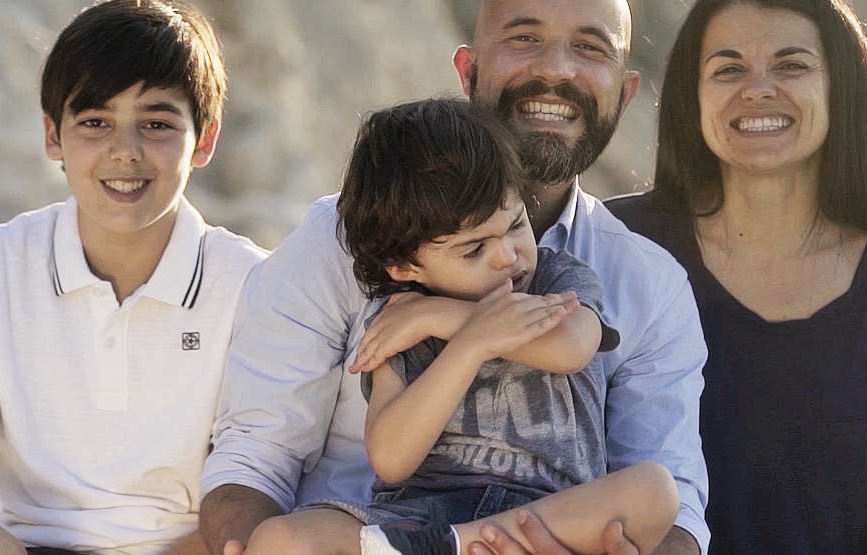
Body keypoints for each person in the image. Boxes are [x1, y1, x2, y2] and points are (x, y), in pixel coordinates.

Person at [199, 0, 709, 555]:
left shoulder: (641, 283)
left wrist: (451, 320)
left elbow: (675, 507)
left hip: (544, 535)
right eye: (525, 38)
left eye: (590, 48)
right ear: (468, 72)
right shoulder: (344, 236)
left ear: (624, 96)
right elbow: (260, 451)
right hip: (387, 534)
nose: (556, 69)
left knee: (653, 492)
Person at [606, 0, 867, 554]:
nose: (759, 89)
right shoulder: (621, 243)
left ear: (842, 88)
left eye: (792, 66)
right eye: (728, 69)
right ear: (692, 98)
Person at [0, 0, 268, 555]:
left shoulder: (257, 288)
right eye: (95, 122)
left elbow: (260, 493)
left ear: (205, 142)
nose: (125, 151)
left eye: (156, 124)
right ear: (53, 134)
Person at [240, 99, 678, 555]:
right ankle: (450, 543)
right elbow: (391, 460)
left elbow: (572, 347)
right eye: (474, 250)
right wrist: (466, 349)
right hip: (416, 523)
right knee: (278, 540)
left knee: (655, 491)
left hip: (547, 514)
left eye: (515, 225)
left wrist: (454, 321)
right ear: (405, 265)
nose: (508, 256)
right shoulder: (397, 325)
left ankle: (458, 545)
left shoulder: (557, 277)